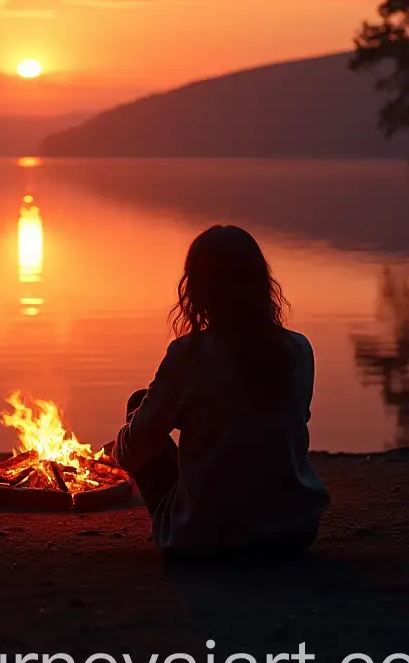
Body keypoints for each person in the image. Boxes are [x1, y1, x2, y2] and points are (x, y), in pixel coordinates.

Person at [111, 224, 329, 562]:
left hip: (205, 539)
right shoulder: (299, 349)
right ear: (261, 284)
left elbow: (132, 453)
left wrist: (121, 442)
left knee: (139, 406)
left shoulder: (189, 355)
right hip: (293, 533)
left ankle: (202, 518)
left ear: (196, 290)